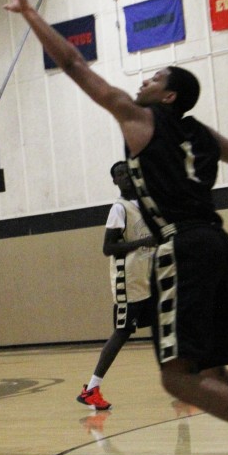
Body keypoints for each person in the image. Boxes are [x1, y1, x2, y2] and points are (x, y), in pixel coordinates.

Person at [5, 0, 228, 455]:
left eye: (153, 78)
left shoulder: (142, 120)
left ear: (167, 97)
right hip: (218, 243)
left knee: (176, 378)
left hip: (183, 247)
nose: (141, 81)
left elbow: (74, 62)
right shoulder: (203, 134)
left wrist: (31, 14)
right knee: (209, 367)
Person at [77, 161, 157, 411]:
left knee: (165, 325)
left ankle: (182, 380)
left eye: (127, 173)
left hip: (146, 279)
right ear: (114, 181)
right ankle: (91, 389)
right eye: (119, 175)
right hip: (128, 283)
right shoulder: (118, 209)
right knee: (122, 332)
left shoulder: (144, 205)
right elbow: (108, 248)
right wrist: (144, 241)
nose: (124, 177)